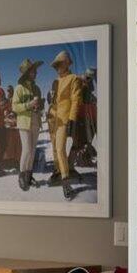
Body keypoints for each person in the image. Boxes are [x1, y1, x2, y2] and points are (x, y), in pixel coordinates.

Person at [48, 50, 84, 185]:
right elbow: (53, 100)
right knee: (54, 148)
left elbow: (76, 100)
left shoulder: (74, 78)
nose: (57, 68)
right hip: (53, 118)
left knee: (60, 148)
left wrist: (72, 119)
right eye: (55, 66)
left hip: (64, 119)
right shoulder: (56, 81)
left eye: (59, 64)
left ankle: (65, 177)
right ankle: (58, 170)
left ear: (66, 64)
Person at [12, 60, 43, 191]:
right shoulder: (19, 88)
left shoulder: (37, 88)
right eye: (32, 70)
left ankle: (29, 175)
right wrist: (29, 105)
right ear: (26, 73)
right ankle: (21, 175)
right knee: (27, 150)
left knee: (33, 150)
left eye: (35, 70)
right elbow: (14, 107)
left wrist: (38, 106)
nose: (35, 72)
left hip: (35, 121)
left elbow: (40, 106)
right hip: (24, 122)